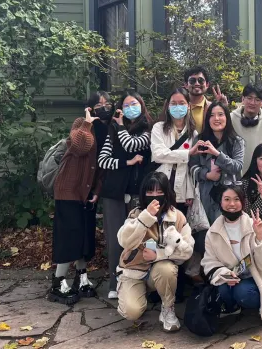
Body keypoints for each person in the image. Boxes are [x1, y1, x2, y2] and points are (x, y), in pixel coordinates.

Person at [48, 91, 113, 304]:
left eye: (107, 103)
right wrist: (86, 123)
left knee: (85, 236)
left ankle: (81, 277)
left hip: (88, 192)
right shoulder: (81, 124)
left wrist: (97, 190)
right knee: (69, 237)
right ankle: (58, 283)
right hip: (69, 190)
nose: (103, 107)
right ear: (90, 107)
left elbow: (103, 165)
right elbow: (78, 146)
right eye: (99, 104)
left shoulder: (109, 129)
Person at [116, 172, 194, 331]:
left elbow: (187, 251)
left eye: (160, 192)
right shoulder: (136, 214)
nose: (155, 196)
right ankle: (133, 293)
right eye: (150, 192)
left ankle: (167, 308)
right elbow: (123, 241)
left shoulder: (177, 217)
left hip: (159, 272)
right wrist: (146, 217)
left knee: (166, 268)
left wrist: (159, 255)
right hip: (135, 271)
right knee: (131, 312)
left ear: (167, 193)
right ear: (144, 193)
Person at [201, 185, 262, 329]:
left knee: (243, 293)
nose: (232, 204)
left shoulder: (254, 225)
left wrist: (259, 237)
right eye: (227, 199)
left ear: (243, 202)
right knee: (222, 288)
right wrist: (226, 274)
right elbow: (209, 261)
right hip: (231, 276)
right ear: (220, 202)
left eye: (236, 199)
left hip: (256, 276)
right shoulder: (213, 232)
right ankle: (233, 307)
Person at [98, 90, 153, 299]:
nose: (131, 108)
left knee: (139, 237)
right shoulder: (113, 130)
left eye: (134, 104)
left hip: (138, 192)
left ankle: (140, 282)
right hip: (114, 193)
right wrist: (126, 162)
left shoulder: (149, 128)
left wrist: (121, 127)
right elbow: (103, 160)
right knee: (115, 238)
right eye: (127, 105)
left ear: (142, 105)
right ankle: (115, 282)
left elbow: (133, 144)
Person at [189, 101, 244, 224]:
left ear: (227, 118)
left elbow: (238, 166)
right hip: (205, 195)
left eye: (220, 114)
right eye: (212, 115)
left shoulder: (236, 141)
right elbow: (192, 167)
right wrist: (207, 175)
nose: (216, 118)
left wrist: (217, 154)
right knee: (206, 233)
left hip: (229, 194)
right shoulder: (200, 140)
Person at [151, 88, 198, 216]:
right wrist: (186, 154)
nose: (178, 107)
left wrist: (189, 192)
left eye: (182, 103)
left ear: (188, 106)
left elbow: (191, 166)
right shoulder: (158, 128)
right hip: (160, 182)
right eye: (174, 103)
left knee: (178, 225)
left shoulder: (193, 133)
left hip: (182, 186)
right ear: (168, 106)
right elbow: (158, 155)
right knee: (158, 222)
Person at [231, 84, 262, 176]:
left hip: (256, 176)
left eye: (257, 100)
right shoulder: (230, 119)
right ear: (243, 99)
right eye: (249, 98)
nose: (252, 102)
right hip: (232, 175)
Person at [183, 66, 227, 134]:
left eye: (201, 80)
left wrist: (223, 109)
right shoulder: (177, 106)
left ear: (207, 84)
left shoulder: (211, 108)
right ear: (186, 85)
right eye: (192, 81)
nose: (197, 84)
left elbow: (223, 132)